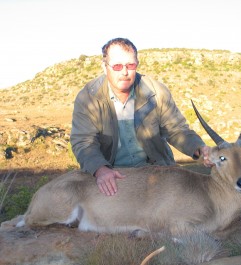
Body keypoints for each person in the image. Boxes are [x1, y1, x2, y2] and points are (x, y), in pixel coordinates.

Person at [70, 37, 213, 196]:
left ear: (137, 63)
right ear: (105, 67)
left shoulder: (156, 91)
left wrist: (199, 148)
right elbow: (83, 141)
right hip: (113, 174)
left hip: (157, 172)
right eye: (117, 66)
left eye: (130, 65)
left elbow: (177, 130)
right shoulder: (88, 97)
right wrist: (100, 170)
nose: (124, 72)